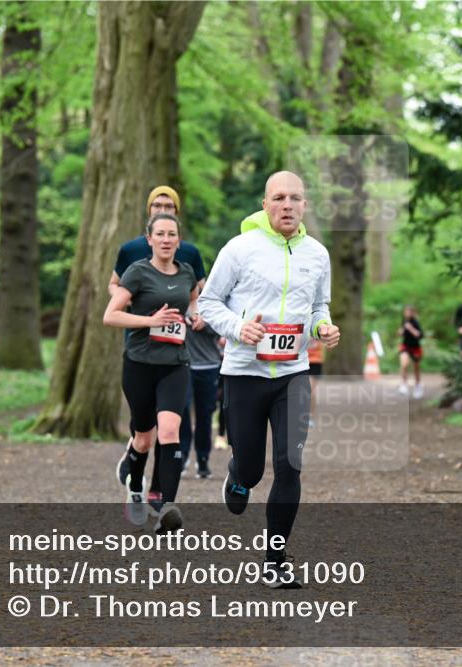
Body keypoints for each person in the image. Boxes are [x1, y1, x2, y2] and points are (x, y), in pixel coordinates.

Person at [198, 171, 340, 589]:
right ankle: (238, 475)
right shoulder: (239, 249)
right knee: (252, 470)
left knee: (289, 466)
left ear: (305, 205)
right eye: (279, 198)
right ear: (265, 205)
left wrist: (322, 328)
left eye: (295, 198)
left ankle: (275, 561)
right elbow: (208, 302)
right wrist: (239, 327)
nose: (287, 205)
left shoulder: (318, 254)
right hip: (244, 373)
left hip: (293, 374)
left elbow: (319, 306)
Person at [110, 186, 206, 512]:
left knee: (170, 430)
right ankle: (136, 485)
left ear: (179, 240)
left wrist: (195, 317)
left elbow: (193, 300)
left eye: (172, 235)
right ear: (149, 239)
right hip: (139, 363)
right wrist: (150, 321)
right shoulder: (137, 271)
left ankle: (166, 506)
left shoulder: (188, 271)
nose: (166, 240)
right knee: (144, 438)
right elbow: (110, 315)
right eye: (160, 234)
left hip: (175, 362)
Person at [182, 320, 223, 479]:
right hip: (183, 364)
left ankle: (202, 458)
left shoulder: (212, 304)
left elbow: (224, 327)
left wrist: (205, 324)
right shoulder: (180, 303)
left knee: (205, 415)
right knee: (181, 409)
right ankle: (182, 454)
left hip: (209, 365)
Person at [397, 305, 424, 399]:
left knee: (416, 368)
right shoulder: (404, 321)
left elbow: (420, 335)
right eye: (406, 312)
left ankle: (418, 386)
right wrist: (400, 331)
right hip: (405, 346)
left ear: (412, 313)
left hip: (415, 347)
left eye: (409, 312)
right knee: (404, 364)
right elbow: (399, 333)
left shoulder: (416, 322)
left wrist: (411, 329)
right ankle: (404, 384)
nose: (407, 314)